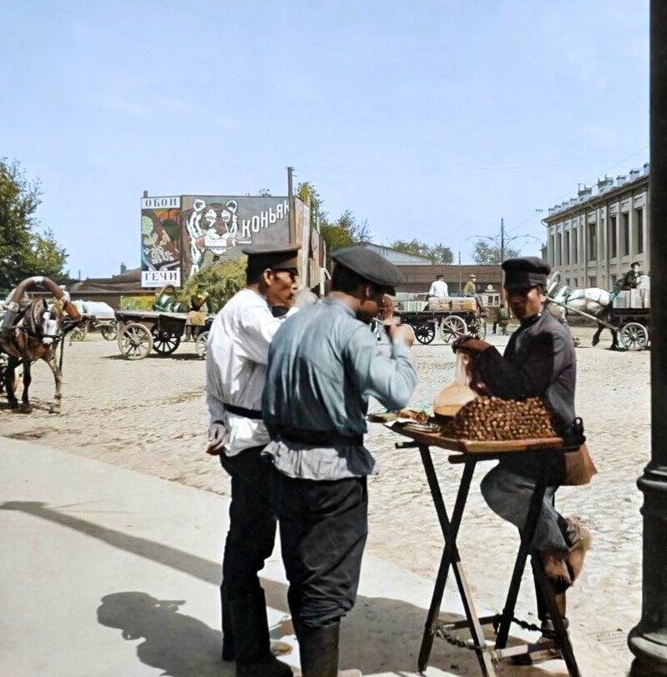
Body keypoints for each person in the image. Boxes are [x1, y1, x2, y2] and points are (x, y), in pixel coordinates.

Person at [262, 246, 417, 677]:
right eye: (382, 297)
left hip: (285, 466)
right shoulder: (351, 332)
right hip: (334, 474)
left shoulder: (291, 325)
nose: (384, 307)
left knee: (302, 576)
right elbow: (398, 393)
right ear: (368, 290)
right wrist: (398, 345)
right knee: (327, 588)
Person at [452, 257, 592, 665]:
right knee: (534, 532)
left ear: (541, 294)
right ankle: (553, 629)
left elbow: (521, 386)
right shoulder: (527, 332)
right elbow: (506, 386)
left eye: (522, 294)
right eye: (510, 294)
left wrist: (487, 354)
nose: (514, 301)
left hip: (553, 445)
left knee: (502, 491)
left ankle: (563, 539)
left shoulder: (551, 336)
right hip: (527, 441)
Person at [204, 244, 301, 677]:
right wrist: (315, 312)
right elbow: (288, 349)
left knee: (242, 539)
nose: (295, 286)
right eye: (290, 277)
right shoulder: (248, 312)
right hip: (253, 442)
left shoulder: (241, 309)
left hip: (241, 437)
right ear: (267, 277)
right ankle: (252, 658)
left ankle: (236, 640)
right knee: (251, 546)